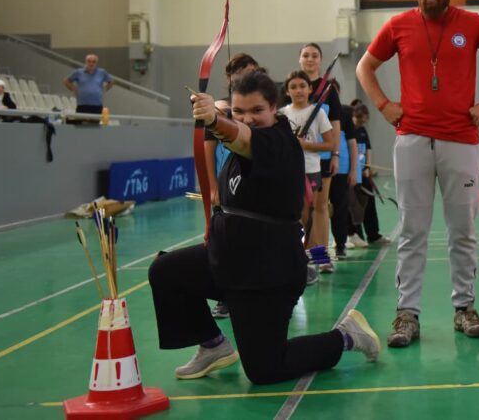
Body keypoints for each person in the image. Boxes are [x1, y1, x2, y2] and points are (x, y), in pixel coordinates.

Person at [148, 70, 380, 384]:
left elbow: (241, 137)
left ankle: (345, 337)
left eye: (258, 110)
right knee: (165, 271)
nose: (249, 118)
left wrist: (216, 121)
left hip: (267, 274)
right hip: (228, 260)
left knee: (265, 368)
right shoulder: (240, 143)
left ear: (275, 108)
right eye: (240, 111)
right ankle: (213, 345)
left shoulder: (278, 142)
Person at [356, 0, 479, 347]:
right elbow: (365, 67)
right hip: (411, 138)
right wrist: (383, 105)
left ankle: (464, 308)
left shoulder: (473, 24)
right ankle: (406, 315)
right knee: (412, 231)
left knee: (462, 230)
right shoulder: (398, 26)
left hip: (461, 140)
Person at [204, 53, 263, 319]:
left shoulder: (259, 107)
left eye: (250, 71)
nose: (244, 77)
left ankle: (253, 292)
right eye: (238, 73)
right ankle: (225, 298)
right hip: (226, 185)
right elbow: (208, 146)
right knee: (223, 245)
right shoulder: (221, 107)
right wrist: (212, 186)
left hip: (253, 184)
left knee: (253, 241)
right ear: (228, 78)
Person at [280, 70, 336, 272]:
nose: (298, 90)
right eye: (293, 87)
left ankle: (320, 258)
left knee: (312, 215)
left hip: (311, 171)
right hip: (289, 171)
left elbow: (331, 144)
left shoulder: (319, 112)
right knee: (298, 217)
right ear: (287, 91)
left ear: (310, 89)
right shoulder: (282, 114)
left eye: (302, 86)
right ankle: (301, 257)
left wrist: (305, 145)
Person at [295, 43, 343, 267]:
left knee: (321, 206)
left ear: (321, 60)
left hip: (322, 158)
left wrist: (335, 154)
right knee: (302, 210)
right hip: (298, 160)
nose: (310, 59)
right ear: (299, 59)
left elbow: (335, 124)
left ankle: (323, 258)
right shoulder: (294, 84)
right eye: (306, 55)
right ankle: (306, 254)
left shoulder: (329, 89)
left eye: (315, 55)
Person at [349, 102, 389, 246]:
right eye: (359, 120)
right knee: (354, 205)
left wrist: (367, 167)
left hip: (364, 173)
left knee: (369, 203)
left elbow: (368, 149)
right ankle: (356, 235)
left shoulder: (362, 130)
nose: (361, 123)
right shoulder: (348, 129)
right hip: (352, 174)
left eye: (364, 120)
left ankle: (373, 235)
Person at [329, 86, 359, 260]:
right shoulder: (312, 110)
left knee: (339, 209)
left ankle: (340, 245)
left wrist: (354, 170)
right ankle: (313, 250)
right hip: (315, 167)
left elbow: (352, 144)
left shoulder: (344, 113)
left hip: (341, 169)